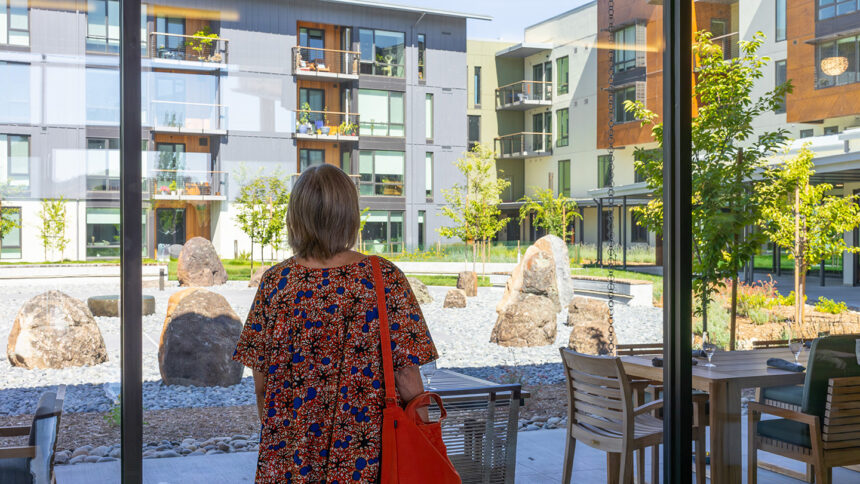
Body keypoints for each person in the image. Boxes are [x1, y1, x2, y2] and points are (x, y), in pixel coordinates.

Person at [233, 164, 438, 483]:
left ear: (296, 217)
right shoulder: (383, 279)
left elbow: (262, 388)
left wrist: (287, 443)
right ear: (350, 215)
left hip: (291, 461)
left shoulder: (276, 284)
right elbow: (408, 380)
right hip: (368, 462)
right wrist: (424, 442)